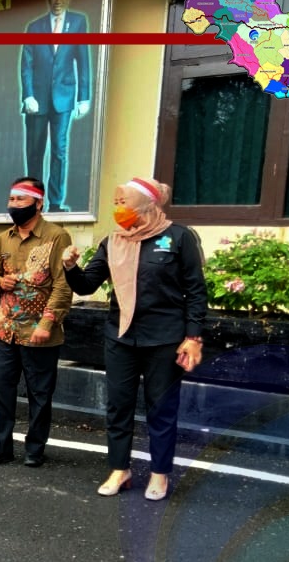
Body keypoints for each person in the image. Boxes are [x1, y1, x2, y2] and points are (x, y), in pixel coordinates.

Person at [62, 177, 206, 501]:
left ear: (145, 204)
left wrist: (193, 336)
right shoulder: (113, 241)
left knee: (161, 408)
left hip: (165, 339)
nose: (118, 209)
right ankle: (120, 469)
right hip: (121, 336)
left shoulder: (178, 237)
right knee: (118, 405)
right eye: (115, 202)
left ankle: (160, 473)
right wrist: (70, 267)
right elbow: (86, 285)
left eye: (123, 202)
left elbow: (196, 291)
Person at [0, 177, 72, 470]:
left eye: (21, 199)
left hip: (39, 330)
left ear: (38, 204)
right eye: (11, 199)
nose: (14, 205)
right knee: (1, 391)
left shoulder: (57, 236)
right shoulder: (2, 239)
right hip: (5, 329)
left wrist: (47, 323)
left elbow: (63, 285)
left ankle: (35, 449)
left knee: (39, 394)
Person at [20, 0, 91, 213]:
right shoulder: (35, 27)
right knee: (35, 151)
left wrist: (84, 96)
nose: (57, 1)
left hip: (64, 97)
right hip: (37, 100)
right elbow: (27, 64)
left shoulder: (78, 22)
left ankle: (56, 203)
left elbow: (83, 60)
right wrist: (28, 95)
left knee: (59, 150)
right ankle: (33, 200)